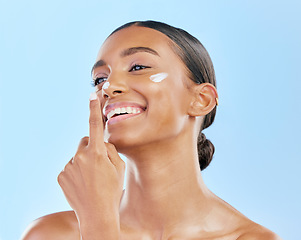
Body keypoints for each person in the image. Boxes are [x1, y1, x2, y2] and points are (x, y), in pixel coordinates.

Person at [21, 20, 281, 240]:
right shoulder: (49, 234)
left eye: (138, 67)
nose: (108, 87)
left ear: (201, 100)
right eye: (100, 78)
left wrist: (99, 224)